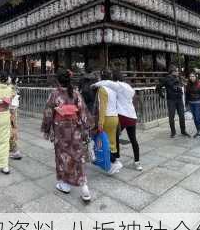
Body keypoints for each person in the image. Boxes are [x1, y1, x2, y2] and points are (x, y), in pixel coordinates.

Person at [41, 69, 91, 201]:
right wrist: (86, 128)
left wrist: (46, 129)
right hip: (75, 129)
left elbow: (48, 114)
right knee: (77, 155)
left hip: (60, 130)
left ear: (58, 81)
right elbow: (83, 112)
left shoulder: (54, 94)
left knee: (62, 156)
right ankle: (84, 186)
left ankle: (65, 184)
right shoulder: (76, 94)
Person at [93, 70, 142, 171]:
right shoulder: (129, 87)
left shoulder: (118, 86)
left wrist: (95, 84)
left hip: (122, 116)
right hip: (132, 116)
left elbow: (106, 82)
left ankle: (116, 159)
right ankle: (137, 162)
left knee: (115, 138)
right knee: (133, 139)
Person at [95, 69, 122, 174]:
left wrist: (100, 122)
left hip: (107, 117)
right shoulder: (114, 88)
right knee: (112, 143)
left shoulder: (102, 89)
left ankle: (114, 163)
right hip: (115, 117)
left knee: (105, 144)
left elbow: (102, 107)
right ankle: (114, 165)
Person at [157, 65, 190, 138]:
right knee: (171, 116)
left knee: (182, 115)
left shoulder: (179, 78)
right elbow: (158, 87)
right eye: (176, 71)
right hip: (171, 100)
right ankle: (173, 132)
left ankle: (183, 130)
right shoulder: (166, 79)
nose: (178, 72)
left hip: (179, 99)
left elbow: (184, 84)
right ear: (173, 72)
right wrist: (161, 94)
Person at [9, 76, 22, 160]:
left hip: (11, 111)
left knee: (11, 131)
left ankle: (15, 151)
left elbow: (13, 103)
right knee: (12, 130)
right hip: (13, 111)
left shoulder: (11, 88)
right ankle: (12, 149)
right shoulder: (14, 87)